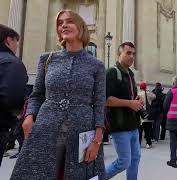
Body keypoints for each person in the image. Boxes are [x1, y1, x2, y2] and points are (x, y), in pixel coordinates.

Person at [10, 9, 106, 179]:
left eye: (69, 21)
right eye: (60, 23)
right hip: (45, 128)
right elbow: (37, 95)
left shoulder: (96, 65)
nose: (64, 25)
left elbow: (99, 103)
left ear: (81, 27)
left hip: (81, 131)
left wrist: (97, 140)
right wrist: (29, 116)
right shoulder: (47, 59)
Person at [105, 42, 142, 180]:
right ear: (119, 54)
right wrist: (129, 103)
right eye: (128, 53)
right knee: (123, 162)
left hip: (133, 125)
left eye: (133, 53)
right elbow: (106, 99)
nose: (131, 56)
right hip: (120, 126)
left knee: (135, 158)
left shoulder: (130, 74)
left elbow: (129, 98)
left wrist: (136, 100)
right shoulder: (112, 72)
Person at [0, 24, 28, 166]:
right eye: (16, 42)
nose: (17, 46)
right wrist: (17, 115)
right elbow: (13, 97)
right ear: (8, 40)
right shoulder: (12, 63)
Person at [138, 82, 156, 149]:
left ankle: (138, 143)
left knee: (140, 130)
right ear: (145, 87)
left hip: (140, 115)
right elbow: (154, 96)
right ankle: (148, 143)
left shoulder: (138, 93)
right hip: (148, 114)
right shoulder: (148, 93)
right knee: (148, 130)